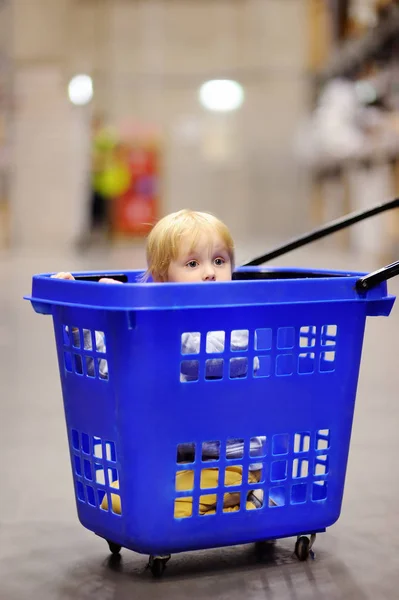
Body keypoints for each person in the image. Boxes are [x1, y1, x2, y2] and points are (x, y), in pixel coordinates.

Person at [53, 209, 267, 514]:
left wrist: (143, 322)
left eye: (219, 261)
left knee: (163, 512)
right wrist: (79, 321)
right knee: (114, 502)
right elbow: (104, 369)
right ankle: (228, 509)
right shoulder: (157, 330)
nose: (210, 272)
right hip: (172, 463)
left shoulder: (235, 323)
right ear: (162, 278)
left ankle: (247, 504)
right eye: (193, 263)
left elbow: (208, 359)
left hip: (229, 466)